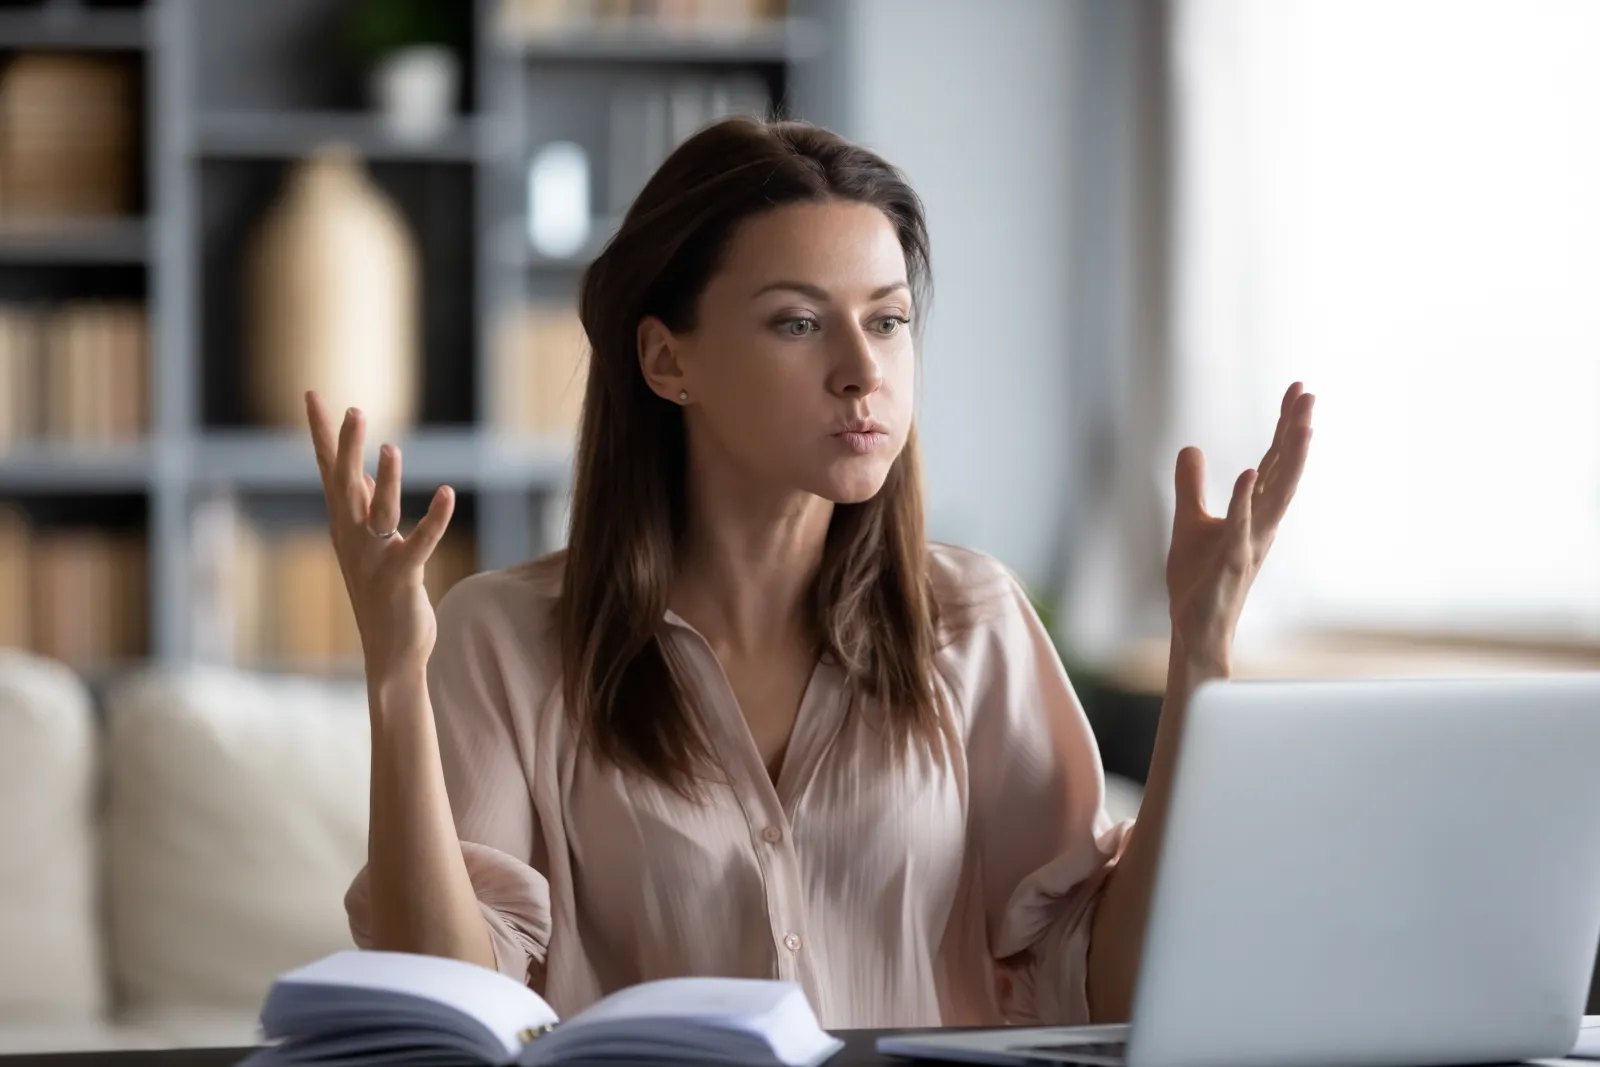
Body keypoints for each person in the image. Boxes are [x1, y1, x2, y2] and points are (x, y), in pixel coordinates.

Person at [308, 116, 1314, 1030]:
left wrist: (1200, 652)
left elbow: (1115, 993)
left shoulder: (974, 619)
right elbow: (444, 1011)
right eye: (797, 322)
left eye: (885, 320)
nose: (861, 370)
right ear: (667, 361)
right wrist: (395, 676)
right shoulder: (505, 636)